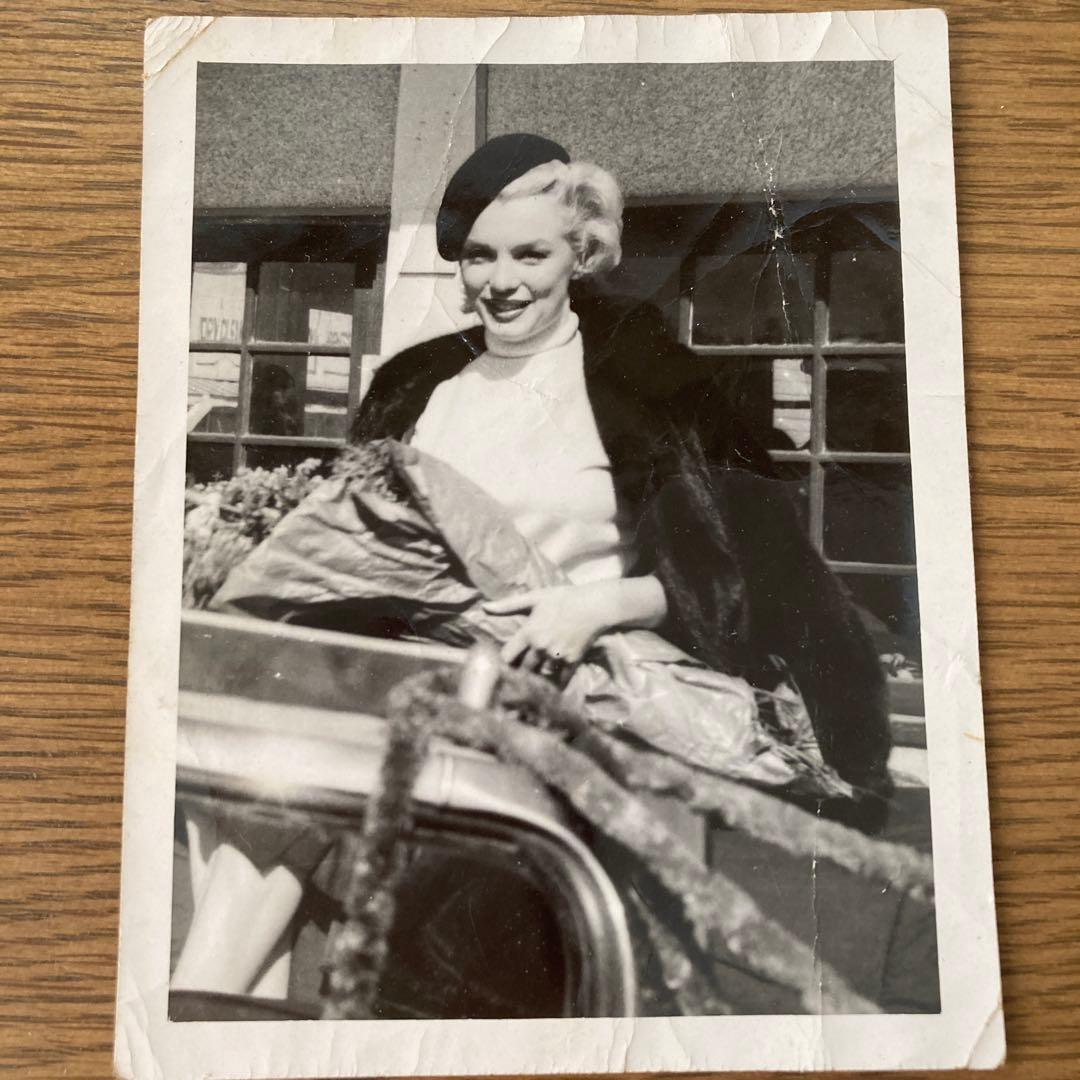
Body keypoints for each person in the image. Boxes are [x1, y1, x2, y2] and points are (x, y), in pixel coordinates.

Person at [172, 132, 892, 1004]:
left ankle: (203, 1017)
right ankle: (215, 1018)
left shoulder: (650, 383)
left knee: (268, 830)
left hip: (572, 713)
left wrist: (593, 607)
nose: (500, 280)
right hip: (411, 692)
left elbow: (763, 582)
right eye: (480, 255)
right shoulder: (416, 385)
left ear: (581, 254)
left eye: (530, 254)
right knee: (249, 800)